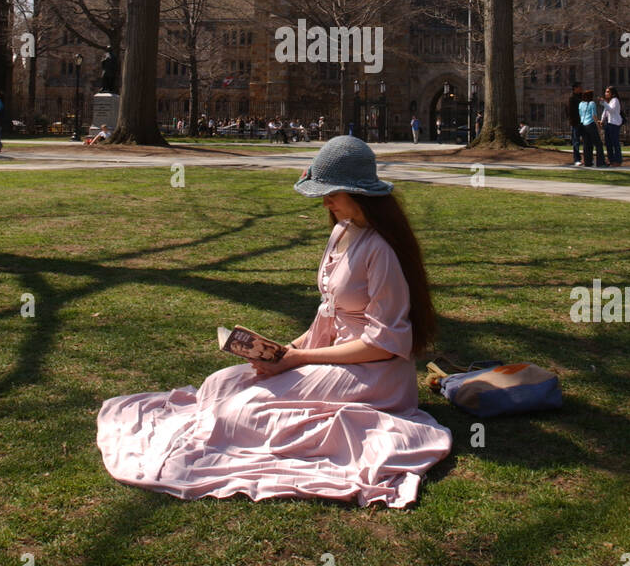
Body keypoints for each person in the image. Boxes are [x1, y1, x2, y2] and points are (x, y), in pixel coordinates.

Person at [97, 136, 452, 508]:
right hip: (330, 355)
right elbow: (328, 313)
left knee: (241, 412)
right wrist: (290, 349)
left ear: (358, 192)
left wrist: (300, 360)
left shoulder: (382, 250)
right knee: (220, 385)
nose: (325, 201)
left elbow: (382, 345)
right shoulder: (343, 230)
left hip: (373, 374)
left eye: (332, 192)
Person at [578, 88, 607, 168]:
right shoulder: (592, 103)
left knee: (587, 144)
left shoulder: (581, 104)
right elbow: (594, 115)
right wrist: (598, 126)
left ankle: (588, 162)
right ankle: (600, 162)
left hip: (583, 125)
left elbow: (580, 115)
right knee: (598, 144)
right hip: (590, 124)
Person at [600, 85, 623, 166]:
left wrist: (604, 103)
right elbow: (605, 112)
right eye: (605, 91)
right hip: (609, 124)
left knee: (615, 143)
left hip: (614, 124)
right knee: (608, 143)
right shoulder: (609, 101)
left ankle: (618, 160)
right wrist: (602, 120)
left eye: (608, 92)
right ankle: (611, 159)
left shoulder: (615, 100)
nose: (606, 93)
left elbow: (611, 110)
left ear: (612, 93)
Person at [567, 81, 583, 167]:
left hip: (584, 122)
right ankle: (577, 159)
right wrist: (572, 122)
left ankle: (587, 158)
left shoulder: (582, 97)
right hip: (576, 123)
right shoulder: (572, 98)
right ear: (575, 88)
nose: (581, 88)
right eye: (579, 87)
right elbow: (570, 112)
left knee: (586, 141)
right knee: (576, 141)